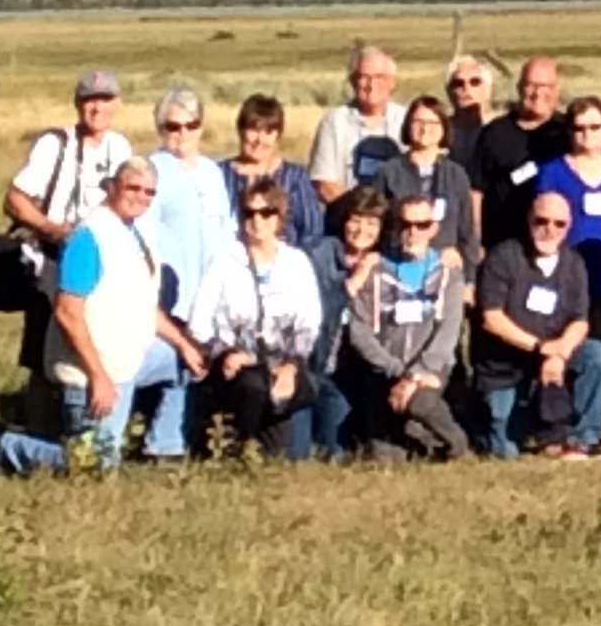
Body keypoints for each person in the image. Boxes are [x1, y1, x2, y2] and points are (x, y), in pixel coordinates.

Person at [0, 159, 207, 474]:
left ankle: (163, 448)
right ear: (112, 187)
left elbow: (143, 305)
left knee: (182, 362)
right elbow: (67, 312)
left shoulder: (133, 234)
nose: (140, 197)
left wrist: (183, 344)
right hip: (91, 370)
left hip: (131, 357)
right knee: (94, 465)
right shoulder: (89, 238)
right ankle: (3, 447)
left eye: (149, 192)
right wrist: (98, 377)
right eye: (133, 188)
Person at [2, 69, 133, 373]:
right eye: (89, 100)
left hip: (100, 266)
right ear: (77, 103)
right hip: (52, 266)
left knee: (95, 350)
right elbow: (14, 199)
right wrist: (54, 231)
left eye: (105, 99)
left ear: (117, 104)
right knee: (45, 361)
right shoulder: (55, 144)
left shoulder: (120, 147)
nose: (97, 108)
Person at [190, 179, 322, 458]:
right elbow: (199, 322)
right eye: (249, 213)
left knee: (279, 448)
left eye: (266, 213)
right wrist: (224, 351)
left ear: (279, 218)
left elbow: (309, 323)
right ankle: (239, 445)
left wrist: (291, 365)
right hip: (235, 363)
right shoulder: (223, 261)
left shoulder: (297, 262)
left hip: (282, 362)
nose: (257, 220)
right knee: (252, 386)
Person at [474, 189, 601, 459]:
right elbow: (492, 319)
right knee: (505, 450)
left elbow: (580, 321)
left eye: (559, 224)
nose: (550, 229)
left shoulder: (573, 263)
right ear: (529, 219)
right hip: (508, 364)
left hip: (554, 354)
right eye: (542, 221)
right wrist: (541, 347)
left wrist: (560, 352)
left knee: (596, 354)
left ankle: (582, 438)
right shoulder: (504, 257)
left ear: (569, 226)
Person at [339, 191, 469, 461]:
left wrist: (417, 375)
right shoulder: (374, 270)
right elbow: (359, 332)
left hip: (431, 370)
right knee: (385, 459)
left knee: (420, 402)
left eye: (422, 225)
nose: (413, 232)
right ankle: (417, 439)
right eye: (405, 224)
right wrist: (396, 371)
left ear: (433, 229)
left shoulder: (448, 273)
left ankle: (457, 444)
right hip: (384, 371)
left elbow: (449, 331)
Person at [142, 83, 233, 454]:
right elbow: (144, 232)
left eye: (190, 125)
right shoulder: (153, 171)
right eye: (173, 126)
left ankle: (176, 440)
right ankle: (162, 440)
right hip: (170, 289)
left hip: (209, 287)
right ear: (160, 129)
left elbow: (227, 229)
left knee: (196, 365)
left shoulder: (212, 172)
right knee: (176, 358)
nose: (182, 134)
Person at [536, 99, 601, 316]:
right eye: (580, 128)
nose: (587, 134)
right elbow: (541, 227)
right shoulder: (552, 172)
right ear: (569, 131)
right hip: (564, 277)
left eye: (595, 127)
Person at [303, 185, 386, 458]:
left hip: (362, 369)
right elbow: (314, 311)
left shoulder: (386, 259)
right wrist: (351, 284)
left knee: (344, 448)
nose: (362, 230)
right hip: (319, 366)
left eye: (372, 223)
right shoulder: (318, 253)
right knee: (300, 452)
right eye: (356, 220)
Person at [471, 56, 570, 254]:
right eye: (531, 85)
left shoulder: (568, 132)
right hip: (502, 244)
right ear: (519, 88)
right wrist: (476, 241)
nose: (537, 93)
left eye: (545, 86)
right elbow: (476, 192)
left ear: (556, 90)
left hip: (556, 246)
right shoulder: (494, 133)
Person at [376, 94, 481, 275]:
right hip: (397, 267)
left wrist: (469, 279)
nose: (425, 129)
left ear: (444, 128)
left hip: (445, 270)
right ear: (407, 125)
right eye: (418, 122)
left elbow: (467, 232)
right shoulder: (389, 172)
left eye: (433, 123)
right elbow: (377, 224)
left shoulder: (456, 174)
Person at [309, 45, 407, 205]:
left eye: (379, 77)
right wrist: (361, 213)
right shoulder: (334, 122)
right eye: (364, 77)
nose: (371, 85)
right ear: (353, 81)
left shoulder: (406, 120)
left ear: (392, 82)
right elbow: (324, 184)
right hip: (346, 214)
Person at [222, 95, 324, 248]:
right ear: (240, 130)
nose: (259, 140)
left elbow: (312, 232)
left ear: (278, 136)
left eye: (268, 132)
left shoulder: (295, 177)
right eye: (253, 130)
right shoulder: (218, 175)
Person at [443, 53, 493, 171]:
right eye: (458, 83)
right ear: (449, 92)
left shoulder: (500, 131)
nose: (466, 88)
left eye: (475, 82)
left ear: (487, 89)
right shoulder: (438, 133)